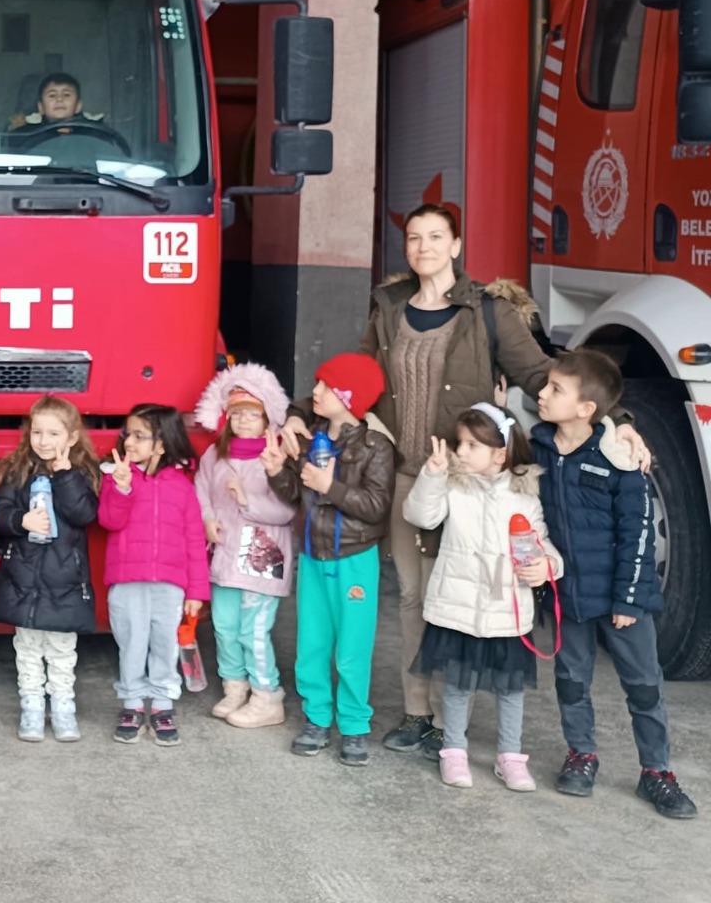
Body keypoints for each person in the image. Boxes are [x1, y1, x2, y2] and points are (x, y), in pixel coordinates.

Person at [279, 203, 649, 759]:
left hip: (470, 480)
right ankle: (419, 714)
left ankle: (457, 723)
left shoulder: (489, 310)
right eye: (414, 237)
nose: (423, 246)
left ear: (455, 247)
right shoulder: (389, 307)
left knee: (464, 592)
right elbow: (358, 379)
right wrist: (300, 410)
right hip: (409, 475)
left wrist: (616, 420)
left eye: (436, 237)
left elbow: (544, 375)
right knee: (413, 599)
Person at [532, 350, 697, 819]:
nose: (542, 394)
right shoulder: (540, 445)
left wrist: (628, 597)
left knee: (644, 686)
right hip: (570, 596)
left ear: (587, 409)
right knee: (570, 680)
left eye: (555, 389)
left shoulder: (619, 455)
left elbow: (640, 531)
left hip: (622, 597)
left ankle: (656, 772)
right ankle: (581, 754)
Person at [404, 405, 560, 791]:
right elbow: (420, 515)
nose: (461, 451)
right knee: (457, 685)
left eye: (472, 444)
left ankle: (510, 757)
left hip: (506, 611)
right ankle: (454, 750)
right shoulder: (454, 487)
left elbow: (543, 545)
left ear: (500, 452)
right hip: (458, 608)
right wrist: (433, 474)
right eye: (461, 443)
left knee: (510, 689)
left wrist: (548, 567)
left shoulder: (525, 497)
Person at [264, 353, 395, 767]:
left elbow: (376, 506)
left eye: (325, 386)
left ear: (349, 397)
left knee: (353, 648)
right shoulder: (309, 438)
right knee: (312, 643)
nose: (315, 392)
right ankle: (317, 718)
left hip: (355, 558)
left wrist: (330, 486)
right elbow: (295, 496)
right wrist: (276, 471)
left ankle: (355, 726)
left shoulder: (376, 448)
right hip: (314, 555)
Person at [0, 396, 101, 742]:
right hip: (24, 578)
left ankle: (64, 707)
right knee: (26, 648)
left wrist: (64, 476)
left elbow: (84, 515)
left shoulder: (82, 473)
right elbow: (1, 513)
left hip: (64, 580)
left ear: (71, 437)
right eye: (37, 432)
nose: (43, 440)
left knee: (61, 651)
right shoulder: (16, 470)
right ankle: (32, 707)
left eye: (53, 433)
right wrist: (21, 520)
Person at [97, 404, 207, 746]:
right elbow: (109, 521)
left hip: (171, 586)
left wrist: (196, 592)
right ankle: (131, 702)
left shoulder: (182, 486)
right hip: (128, 581)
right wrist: (122, 487)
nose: (130, 441)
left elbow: (194, 540)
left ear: (161, 444)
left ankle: (161, 703)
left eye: (140, 435)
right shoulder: (117, 477)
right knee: (130, 643)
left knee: (165, 643)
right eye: (128, 433)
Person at [194, 363, 295, 729]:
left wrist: (246, 499)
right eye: (236, 414)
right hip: (224, 554)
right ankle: (234, 687)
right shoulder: (215, 456)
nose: (243, 421)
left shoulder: (277, 459)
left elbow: (286, 511)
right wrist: (207, 519)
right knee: (224, 624)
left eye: (252, 414)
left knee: (253, 629)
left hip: (261, 556)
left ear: (268, 418)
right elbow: (201, 488)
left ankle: (266, 695)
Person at [6, 72, 107, 131]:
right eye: (52, 95)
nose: (59, 99)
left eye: (66, 95)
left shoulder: (96, 133)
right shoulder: (25, 134)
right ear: (41, 108)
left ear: (78, 106)